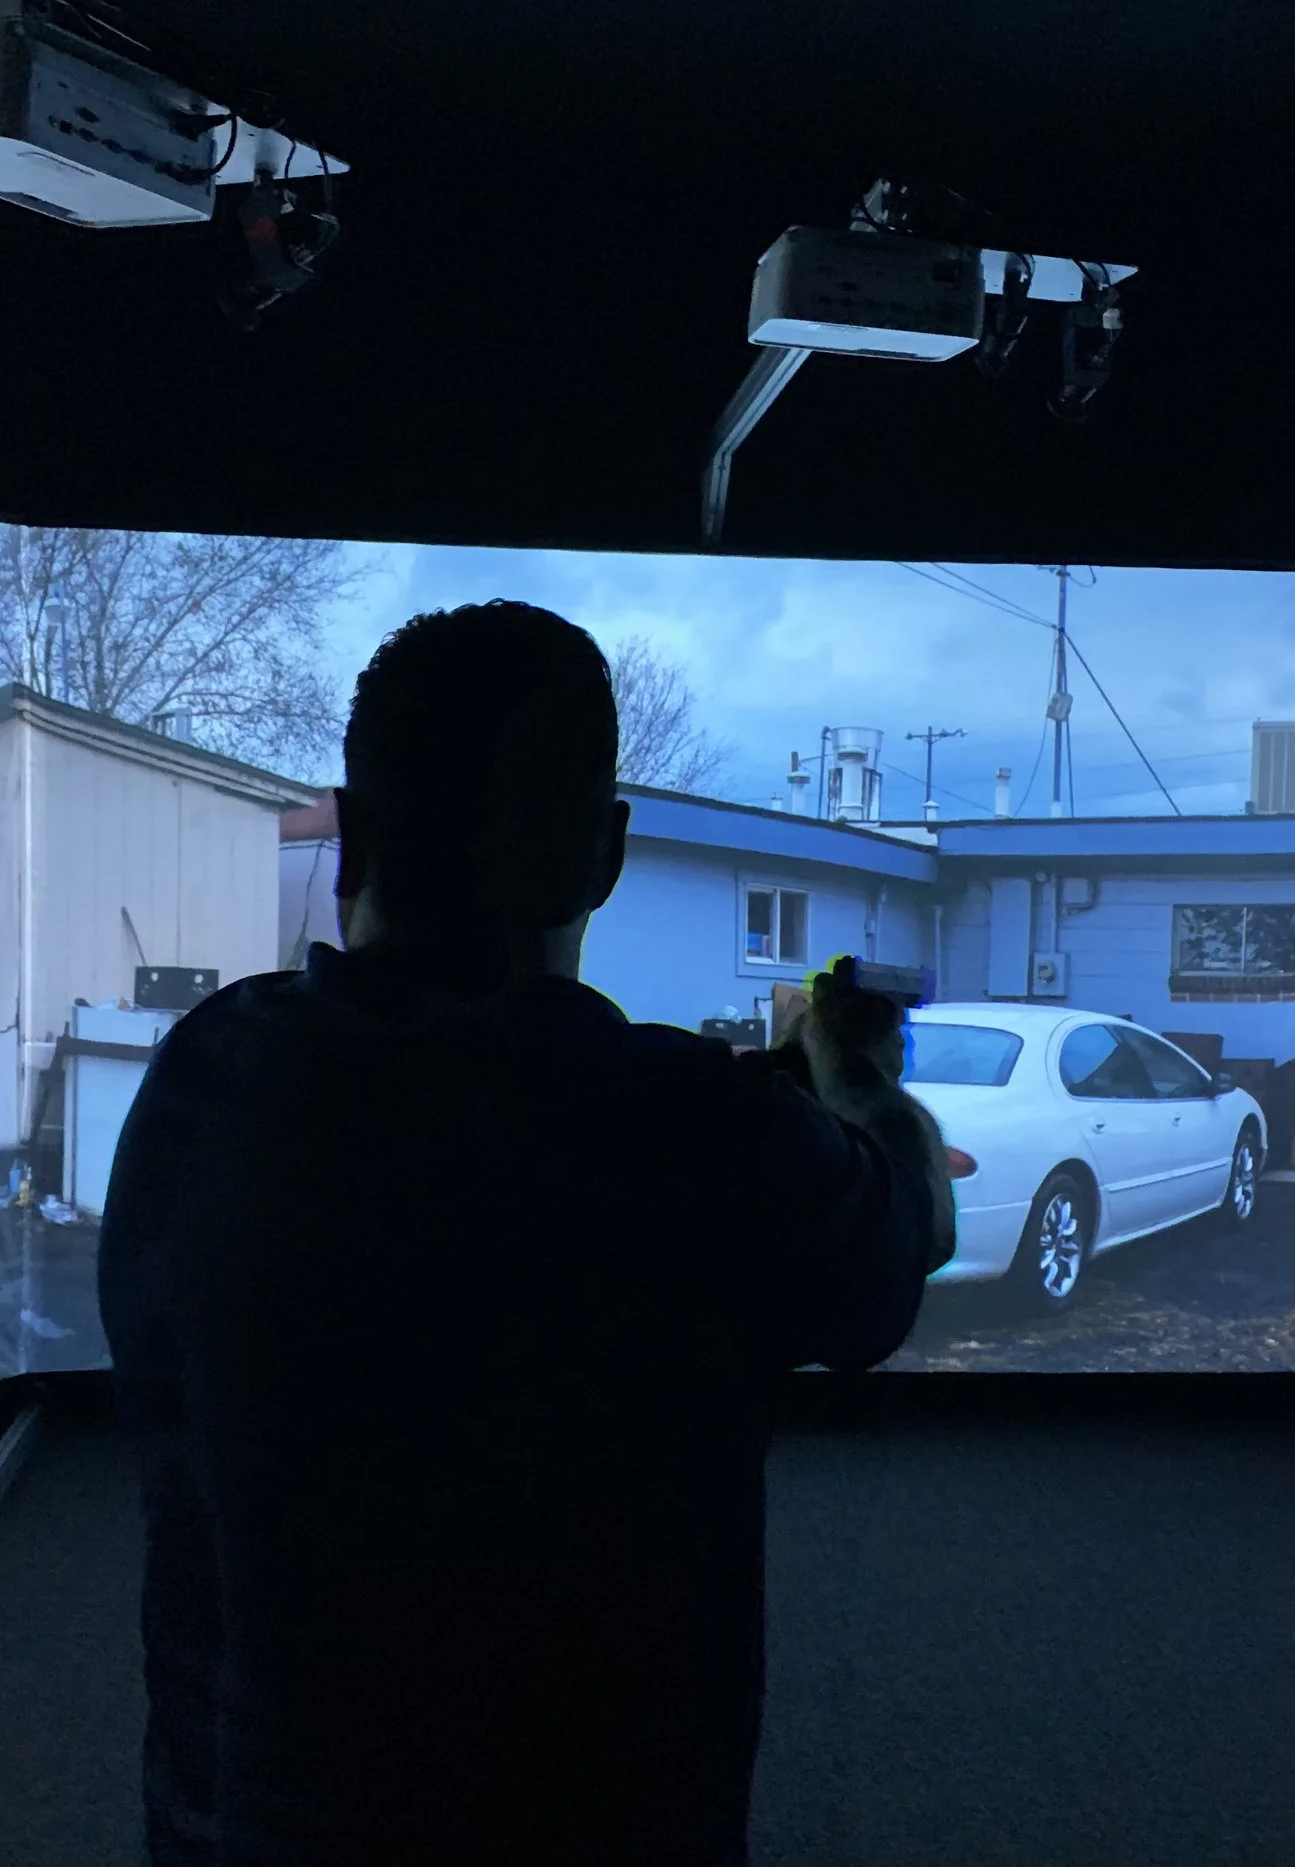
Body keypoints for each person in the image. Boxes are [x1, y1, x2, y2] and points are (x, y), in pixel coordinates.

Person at [96, 600, 957, 1867]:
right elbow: (905, 1245)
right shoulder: (691, 1131)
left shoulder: (207, 1076)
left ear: (351, 841)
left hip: (238, 1829)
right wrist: (854, 1076)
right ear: (604, 855)